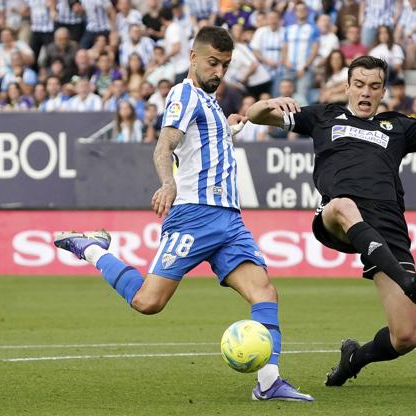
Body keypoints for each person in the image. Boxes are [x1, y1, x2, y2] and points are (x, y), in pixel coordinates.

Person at [53, 26, 314, 402]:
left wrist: (240, 122)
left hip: (229, 220)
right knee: (148, 302)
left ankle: (269, 382)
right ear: (193, 57)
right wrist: (167, 183)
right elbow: (165, 144)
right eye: (212, 63)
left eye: (225, 65)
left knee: (265, 292)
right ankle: (92, 248)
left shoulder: (211, 105)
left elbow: (211, 142)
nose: (219, 72)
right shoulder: (183, 94)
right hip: (193, 215)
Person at [247, 49, 416, 386]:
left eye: (374, 86)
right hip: (336, 215)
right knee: (342, 205)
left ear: (382, 91)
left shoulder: (400, 127)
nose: (366, 92)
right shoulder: (324, 116)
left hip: (388, 225)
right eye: (359, 84)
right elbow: (256, 116)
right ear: (347, 86)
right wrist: (272, 101)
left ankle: (353, 359)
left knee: (405, 337)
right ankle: (412, 284)